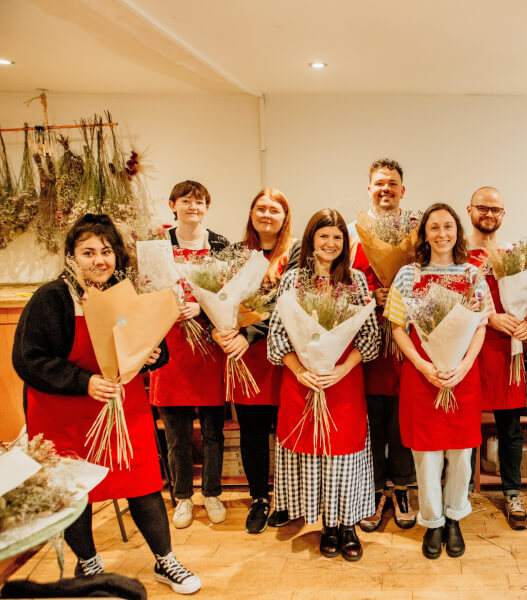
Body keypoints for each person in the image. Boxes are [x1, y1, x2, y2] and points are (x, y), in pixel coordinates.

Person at [13, 214, 200, 594]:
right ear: (71, 256)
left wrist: (151, 355)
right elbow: (28, 359)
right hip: (64, 412)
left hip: (122, 406)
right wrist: (84, 382)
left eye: (107, 251)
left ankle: (166, 560)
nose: (99, 260)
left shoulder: (125, 291)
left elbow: (154, 345)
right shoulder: (51, 298)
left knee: (143, 482)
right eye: (88, 252)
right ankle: (89, 562)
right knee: (75, 490)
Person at [267, 208, 380, 561]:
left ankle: (346, 526)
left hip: (343, 383)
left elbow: (369, 336)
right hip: (303, 383)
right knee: (314, 454)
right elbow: (278, 335)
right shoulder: (292, 281)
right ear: (311, 239)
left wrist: (343, 369)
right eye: (323, 235)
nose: (330, 243)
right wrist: (301, 371)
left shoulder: (357, 281)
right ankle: (327, 526)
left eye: (337, 237)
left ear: (345, 243)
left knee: (343, 455)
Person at [386, 203, 494, 559]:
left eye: (448, 226)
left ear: (457, 232)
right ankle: (432, 522)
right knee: (426, 455)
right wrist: (421, 365)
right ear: (425, 234)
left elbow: (480, 326)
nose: (442, 233)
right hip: (422, 377)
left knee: (461, 455)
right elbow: (399, 328)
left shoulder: (473, 273)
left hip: (463, 378)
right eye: (434, 227)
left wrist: (463, 366)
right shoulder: (407, 275)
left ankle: (454, 517)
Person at [211, 188, 299, 534]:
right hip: (242, 354)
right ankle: (260, 498)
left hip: (280, 354)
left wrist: (249, 333)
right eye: (260, 208)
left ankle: (290, 497)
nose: (266, 214)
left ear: (284, 217)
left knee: (287, 430)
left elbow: (286, 301)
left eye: (274, 210)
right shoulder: (235, 254)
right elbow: (219, 299)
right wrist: (220, 330)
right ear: (251, 214)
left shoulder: (295, 253)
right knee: (252, 432)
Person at [150, 180, 229, 530]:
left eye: (199, 202)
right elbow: (144, 291)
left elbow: (231, 298)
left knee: (213, 432)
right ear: (173, 205)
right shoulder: (156, 247)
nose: (193, 207)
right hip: (170, 349)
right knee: (177, 434)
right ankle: (182, 498)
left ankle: (212, 492)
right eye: (186, 201)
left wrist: (201, 308)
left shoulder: (222, 245)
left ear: (207, 208)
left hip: (209, 350)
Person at [351, 159, 417, 532]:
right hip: (367, 348)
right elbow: (342, 286)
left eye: (392, 183)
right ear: (370, 189)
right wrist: (369, 294)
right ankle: (374, 490)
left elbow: (426, 280)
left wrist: (399, 295)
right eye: (379, 183)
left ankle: (403, 488)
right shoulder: (354, 234)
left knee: (402, 424)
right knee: (372, 424)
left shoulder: (416, 234)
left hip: (406, 346)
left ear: (402, 191)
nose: (385, 189)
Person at [465, 186, 527, 529]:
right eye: (482, 208)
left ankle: (512, 493)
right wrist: (489, 318)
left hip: (507, 351)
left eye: (495, 209)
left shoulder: (514, 255)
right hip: (469, 349)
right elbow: (450, 306)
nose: (488, 214)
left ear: (503, 215)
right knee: (464, 425)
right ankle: (460, 491)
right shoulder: (457, 255)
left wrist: (525, 325)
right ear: (469, 210)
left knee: (510, 429)